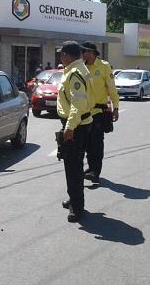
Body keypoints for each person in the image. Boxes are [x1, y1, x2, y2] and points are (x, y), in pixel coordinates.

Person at [56, 41, 95, 222]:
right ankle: (74, 197)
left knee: (73, 167)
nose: (60, 57)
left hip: (76, 125)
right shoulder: (79, 69)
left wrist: (69, 127)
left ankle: (77, 207)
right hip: (80, 122)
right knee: (73, 165)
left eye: (61, 54)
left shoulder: (74, 73)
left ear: (67, 56)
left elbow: (77, 104)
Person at [80, 42, 120, 184]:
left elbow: (111, 88)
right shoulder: (81, 67)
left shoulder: (104, 66)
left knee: (96, 143)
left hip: (98, 111)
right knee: (86, 144)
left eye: (84, 51)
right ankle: (91, 167)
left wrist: (115, 107)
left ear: (91, 52)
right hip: (83, 112)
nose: (82, 54)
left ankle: (95, 171)